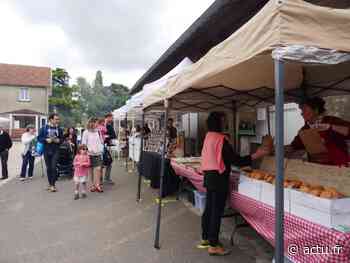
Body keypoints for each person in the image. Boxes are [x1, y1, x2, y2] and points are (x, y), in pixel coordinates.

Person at [198, 112, 270, 256]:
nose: (226, 124)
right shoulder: (221, 139)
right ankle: (213, 245)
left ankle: (206, 238)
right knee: (216, 212)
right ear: (219, 123)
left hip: (209, 176)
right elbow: (236, 160)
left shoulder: (208, 136)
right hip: (218, 179)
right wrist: (257, 154)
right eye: (224, 121)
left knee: (209, 209)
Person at [289, 97, 350, 166]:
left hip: (339, 164)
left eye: (304, 109)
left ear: (316, 110)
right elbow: (295, 145)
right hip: (316, 166)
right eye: (301, 110)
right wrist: (302, 136)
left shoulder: (331, 120)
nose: (302, 113)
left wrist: (330, 127)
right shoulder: (305, 128)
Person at [38, 113, 64, 192]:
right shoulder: (44, 128)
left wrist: (59, 140)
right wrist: (46, 140)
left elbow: (62, 139)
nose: (57, 121)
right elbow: (39, 138)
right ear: (51, 119)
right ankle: (50, 184)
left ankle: (53, 185)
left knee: (53, 167)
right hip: (46, 150)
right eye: (56, 119)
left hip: (56, 150)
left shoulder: (59, 129)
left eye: (58, 119)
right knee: (49, 168)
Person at [82, 118, 104, 192]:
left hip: (98, 153)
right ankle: (93, 185)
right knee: (91, 170)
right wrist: (87, 151)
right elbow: (84, 143)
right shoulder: (86, 132)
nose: (97, 124)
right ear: (92, 123)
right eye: (96, 123)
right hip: (89, 154)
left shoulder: (98, 132)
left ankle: (97, 185)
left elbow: (101, 141)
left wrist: (100, 148)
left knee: (98, 169)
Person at [103, 113, 117, 184]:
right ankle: (100, 180)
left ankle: (106, 178)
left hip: (106, 146)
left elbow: (114, 135)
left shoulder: (109, 126)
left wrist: (106, 136)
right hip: (99, 147)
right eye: (111, 118)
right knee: (100, 164)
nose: (112, 119)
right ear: (108, 117)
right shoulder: (101, 125)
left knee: (109, 162)